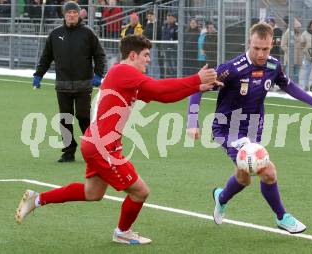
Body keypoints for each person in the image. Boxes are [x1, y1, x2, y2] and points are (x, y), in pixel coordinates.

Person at [15, 35, 219, 244]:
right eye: (145, 55)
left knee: (92, 193)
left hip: (97, 144)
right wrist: (196, 79)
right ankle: (122, 232)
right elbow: (159, 88)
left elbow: (163, 96)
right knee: (140, 192)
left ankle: (37, 199)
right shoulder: (124, 71)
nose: (148, 59)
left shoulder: (127, 78)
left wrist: (197, 87)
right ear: (132, 55)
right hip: (103, 146)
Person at [186, 23, 312, 234]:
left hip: (253, 130)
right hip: (227, 129)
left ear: (272, 44)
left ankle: (221, 197)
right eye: (256, 48)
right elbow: (197, 88)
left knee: (244, 177)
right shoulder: (232, 69)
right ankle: (282, 217)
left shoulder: (273, 66)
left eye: (265, 49)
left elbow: (289, 86)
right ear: (249, 43)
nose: (260, 53)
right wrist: (192, 122)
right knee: (268, 170)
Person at [32, 1, 106, 163]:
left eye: (74, 12)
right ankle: (69, 151)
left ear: (79, 14)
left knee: (83, 116)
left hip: (83, 85)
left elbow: (99, 55)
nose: (71, 15)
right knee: (65, 118)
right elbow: (46, 57)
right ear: (64, 15)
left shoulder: (88, 33)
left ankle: (92, 150)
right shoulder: (55, 34)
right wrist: (38, 75)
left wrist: (98, 74)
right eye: (68, 12)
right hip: (63, 85)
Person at [281, 18, 303, 85]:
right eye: (298, 27)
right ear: (294, 27)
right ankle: (288, 88)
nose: (299, 29)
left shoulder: (299, 33)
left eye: (300, 27)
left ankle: (296, 88)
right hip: (290, 58)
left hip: (298, 58)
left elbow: (300, 44)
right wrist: (290, 52)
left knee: (296, 75)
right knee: (289, 75)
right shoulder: (288, 32)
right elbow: (283, 45)